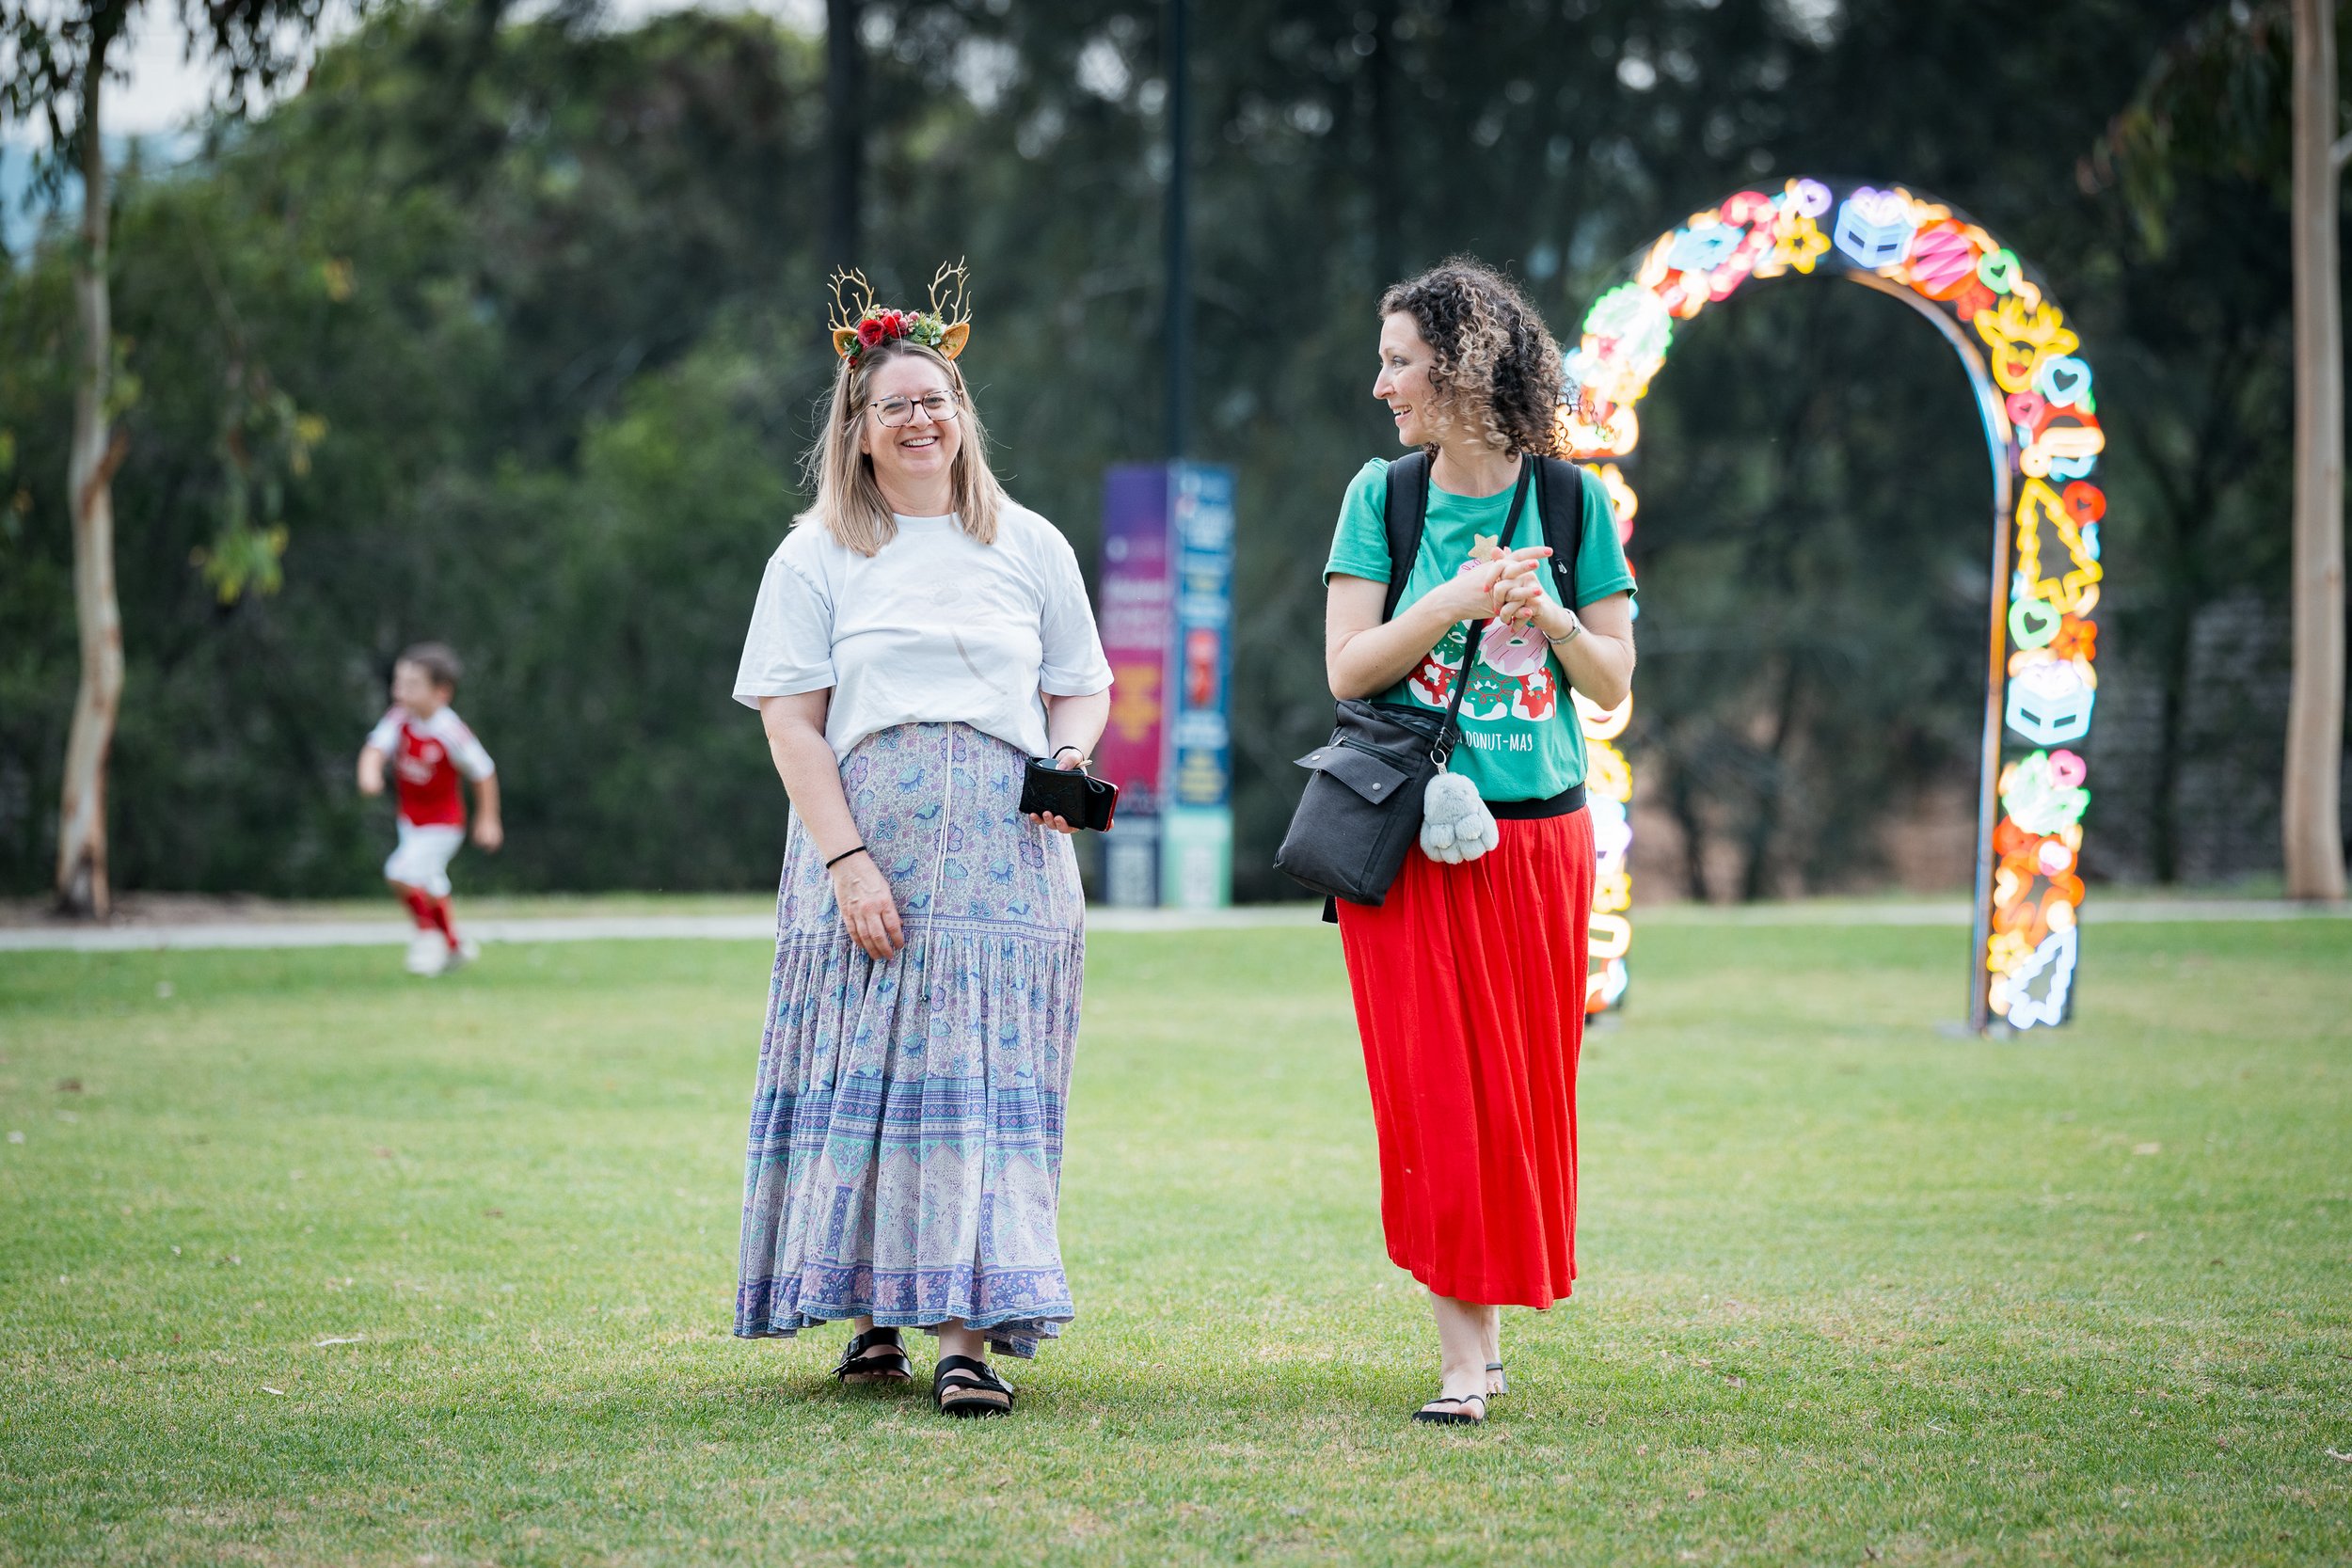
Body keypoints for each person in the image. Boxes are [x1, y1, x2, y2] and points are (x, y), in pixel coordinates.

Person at [730, 264, 1112, 1418]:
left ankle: (964, 1338)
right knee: (869, 1076)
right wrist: (847, 863)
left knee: (981, 1083)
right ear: (856, 425)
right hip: (867, 842)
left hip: (1005, 859)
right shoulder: (814, 552)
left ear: (961, 415)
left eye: (934, 398)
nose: (917, 418)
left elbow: (1081, 686)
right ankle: (869, 1318)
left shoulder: (1028, 542)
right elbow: (793, 723)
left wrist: (1069, 760)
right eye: (892, 402)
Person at [1322, 259, 1637, 1426]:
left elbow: (1610, 689)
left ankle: (1487, 1340)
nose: (1381, 383)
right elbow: (1348, 667)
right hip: (1405, 844)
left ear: (1459, 367)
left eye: (1400, 359)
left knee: (1514, 1095)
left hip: (1539, 844)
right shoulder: (1384, 498)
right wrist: (1452, 599)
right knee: (1434, 1094)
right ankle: (1465, 1358)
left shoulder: (1570, 505)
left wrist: (1546, 612)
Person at [357, 642, 503, 977]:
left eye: (411, 685)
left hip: (443, 824)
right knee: (432, 885)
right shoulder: (398, 720)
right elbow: (374, 749)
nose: (400, 692)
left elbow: (483, 772)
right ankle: (454, 944)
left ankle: (427, 935)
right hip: (410, 820)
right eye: (399, 683)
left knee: (399, 872)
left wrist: (488, 819)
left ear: (441, 693)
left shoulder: (451, 732)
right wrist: (369, 775)